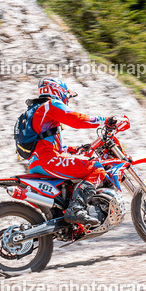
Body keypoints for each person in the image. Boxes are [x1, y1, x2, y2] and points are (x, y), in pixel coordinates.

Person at [14, 77, 127, 226]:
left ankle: (69, 213)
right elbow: (77, 120)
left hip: (38, 162)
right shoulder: (51, 105)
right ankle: (76, 209)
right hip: (48, 161)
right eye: (67, 96)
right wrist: (105, 120)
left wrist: (76, 149)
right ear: (58, 91)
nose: (67, 100)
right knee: (97, 168)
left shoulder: (35, 111)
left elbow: (46, 144)